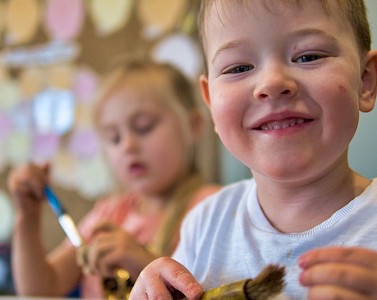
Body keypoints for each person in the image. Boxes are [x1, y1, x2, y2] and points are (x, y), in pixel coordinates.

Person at [129, 0, 377, 299]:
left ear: (366, 81)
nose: (272, 83)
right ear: (210, 102)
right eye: (240, 67)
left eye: (308, 56)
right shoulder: (205, 225)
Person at [7, 60, 220, 298]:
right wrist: (28, 217)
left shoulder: (214, 208)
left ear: (193, 125)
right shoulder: (108, 215)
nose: (128, 146)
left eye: (143, 127)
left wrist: (144, 263)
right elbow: (41, 289)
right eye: (114, 138)